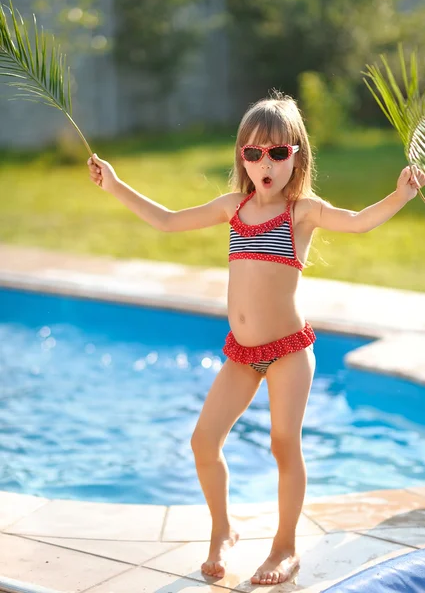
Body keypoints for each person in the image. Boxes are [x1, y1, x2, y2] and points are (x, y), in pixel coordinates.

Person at [87, 91, 425, 586]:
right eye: (253, 152)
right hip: (242, 354)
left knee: (283, 442)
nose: (265, 163)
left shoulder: (301, 212)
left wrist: (401, 195)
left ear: (297, 156)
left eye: (277, 152)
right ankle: (223, 529)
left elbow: (356, 223)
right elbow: (166, 220)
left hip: (289, 351)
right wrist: (115, 185)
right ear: (242, 157)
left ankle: (285, 547)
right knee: (204, 440)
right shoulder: (234, 207)